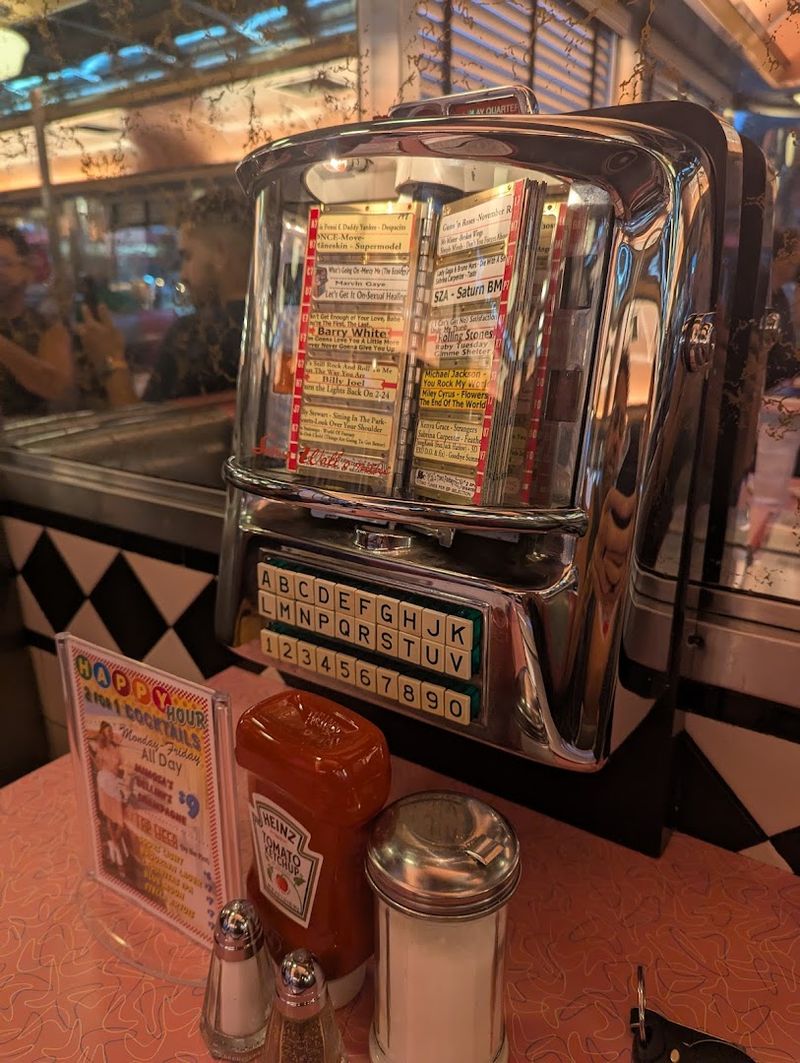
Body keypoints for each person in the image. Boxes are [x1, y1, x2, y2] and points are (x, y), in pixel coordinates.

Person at [78, 190, 252, 406]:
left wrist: (111, 361)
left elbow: (146, 433)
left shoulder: (193, 336)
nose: (183, 275)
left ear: (219, 254)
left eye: (187, 256)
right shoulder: (284, 324)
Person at [0, 224, 73, 419]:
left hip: (28, 441)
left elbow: (54, 387)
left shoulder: (47, 328)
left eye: (3, 263)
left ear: (26, 269)